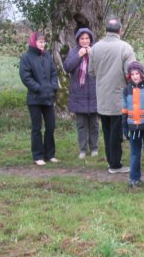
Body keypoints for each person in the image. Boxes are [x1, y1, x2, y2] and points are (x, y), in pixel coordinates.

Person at [88, 16, 135, 174]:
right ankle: (115, 164)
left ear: (106, 31)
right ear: (120, 31)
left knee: (107, 131)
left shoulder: (95, 48)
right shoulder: (125, 48)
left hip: (101, 96)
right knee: (116, 133)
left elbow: (91, 71)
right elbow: (131, 73)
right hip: (118, 97)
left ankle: (111, 161)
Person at [19, 32, 59, 165]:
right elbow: (26, 77)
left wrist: (53, 86)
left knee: (51, 126)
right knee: (36, 128)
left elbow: (54, 72)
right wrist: (39, 88)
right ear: (33, 42)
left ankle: (50, 154)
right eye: (40, 41)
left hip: (48, 97)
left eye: (44, 42)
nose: (42, 44)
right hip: (35, 98)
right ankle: (38, 156)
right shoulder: (26, 57)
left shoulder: (47, 55)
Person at [63, 28, 99, 159]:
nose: (85, 41)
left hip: (94, 93)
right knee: (81, 124)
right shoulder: (73, 52)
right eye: (82, 38)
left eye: (87, 38)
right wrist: (79, 56)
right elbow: (67, 67)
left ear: (91, 39)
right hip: (79, 94)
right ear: (78, 40)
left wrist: (92, 55)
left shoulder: (96, 51)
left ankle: (94, 148)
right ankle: (83, 150)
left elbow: (101, 68)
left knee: (94, 124)